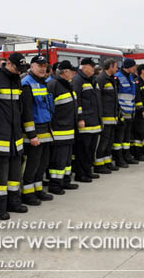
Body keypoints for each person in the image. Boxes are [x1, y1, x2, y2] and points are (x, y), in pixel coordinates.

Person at [0, 52, 29, 220]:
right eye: (17, 68)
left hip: (14, 136)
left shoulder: (17, 79)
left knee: (14, 175)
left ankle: (14, 203)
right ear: (8, 63)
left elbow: (20, 108)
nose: (19, 72)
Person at [21, 55, 54, 205]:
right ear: (31, 66)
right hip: (34, 131)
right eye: (39, 65)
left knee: (42, 163)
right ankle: (28, 193)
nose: (43, 68)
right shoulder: (27, 83)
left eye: (44, 65)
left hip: (46, 128)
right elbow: (27, 111)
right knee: (32, 163)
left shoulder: (43, 83)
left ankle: (38, 189)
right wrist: (32, 134)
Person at [47, 60, 79, 194]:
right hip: (59, 129)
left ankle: (65, 181)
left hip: (69, 128)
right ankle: (55, 185)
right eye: (72, 71)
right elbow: (49, 108)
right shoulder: (54, 84)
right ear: (65, 72)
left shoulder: (66, 84)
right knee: (58, 160)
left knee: (66, 159)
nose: (74, 73)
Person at [72, 58, 102, 182]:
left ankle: (88, 170)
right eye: (91, 66)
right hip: (85, 122)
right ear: (84, 67)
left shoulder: (92, 80)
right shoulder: (78, 80)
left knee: (90, 150)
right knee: (82, 150)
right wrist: (80, 118)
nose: (93, 69)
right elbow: (77, 100)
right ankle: (80, 174)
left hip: (94, 121)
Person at [94, 59, 119, 173]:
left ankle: (107, 162)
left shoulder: (112, 79)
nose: (117, 69)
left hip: (112, 117)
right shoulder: (101, 79)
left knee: (109, 142)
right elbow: (98, 99)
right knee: (103, 142)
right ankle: (99, 165)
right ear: (110, 66)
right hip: (104, 117)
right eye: (116, 66)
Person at [115, 59, 139, 166]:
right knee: (119, 137)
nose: (135, 69)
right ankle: (119, 159)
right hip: (121, 112)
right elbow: (115, 96)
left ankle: (127, 156)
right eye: (134, 66)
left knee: (127, 137)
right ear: (129, 66)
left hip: (130, 111)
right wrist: (118, 111)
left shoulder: (130, 77)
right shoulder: (118, 77)